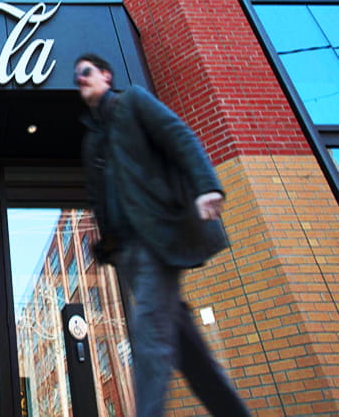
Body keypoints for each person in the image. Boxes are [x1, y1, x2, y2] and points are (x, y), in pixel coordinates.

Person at [74, 54, 250, 417]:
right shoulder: (92, 141)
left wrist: (207, 187)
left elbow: (180, 136)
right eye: (77, 77)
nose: (81, 79)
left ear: (106, 75)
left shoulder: (134, 102)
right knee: (187, 350)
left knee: (149, 333)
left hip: (157, 237)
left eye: (86, 72)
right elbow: (101, 197)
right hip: (128, 254)